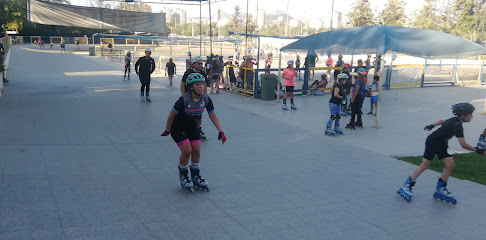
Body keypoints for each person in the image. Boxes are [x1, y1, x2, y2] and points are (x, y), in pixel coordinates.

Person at [397, 103, 485, 203]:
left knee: (450, 165)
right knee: (424, 165)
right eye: (470, 114)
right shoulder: (457, 125)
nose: (472, 116)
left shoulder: (454, 120)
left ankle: (440, 189)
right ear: (463, 115)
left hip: (442, 143)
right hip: (433, 142)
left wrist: (431, 125)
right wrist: (477, 150)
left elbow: (442, 121)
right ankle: (406, 185)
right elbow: (463, 145)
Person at [161, 73, 226, 192]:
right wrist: (167, 130)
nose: (201, 86)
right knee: (187, 151)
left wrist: (220, 131)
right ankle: (184, 174)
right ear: (191, 87)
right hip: (178, 127)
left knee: (196, 151)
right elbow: (171, 115)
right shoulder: (184, 99)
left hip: (192, 126)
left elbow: (212, 115)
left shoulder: (206, 99)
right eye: (197, 84)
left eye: (202, 84)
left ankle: (195, 175)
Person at [181, 56, 209, 140]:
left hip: (199, 97)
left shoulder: (203, 73)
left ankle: (198, 129)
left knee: (198, 115)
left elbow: (204, 86)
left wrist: (205, 97)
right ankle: (186, 129)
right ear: (194, 64)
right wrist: (183, 96)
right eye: (199, 63)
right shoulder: (187, 73)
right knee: (188, 114)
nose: (201, 65)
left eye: (201, 63)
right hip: (189, 96)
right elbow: (182, 85)